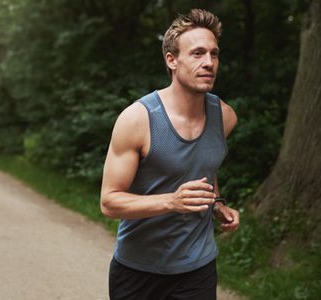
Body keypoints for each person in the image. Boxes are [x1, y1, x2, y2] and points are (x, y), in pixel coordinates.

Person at [100, 9, 240, 300]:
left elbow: (204, 164)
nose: (209, 63)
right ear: (171, 60)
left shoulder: (224, 117)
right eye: (198, 53)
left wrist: (216, 202)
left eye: (214, 54)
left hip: (197, 269)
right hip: (138, 269)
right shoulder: (138, 119)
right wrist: (172, 201)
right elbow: (110, 202)